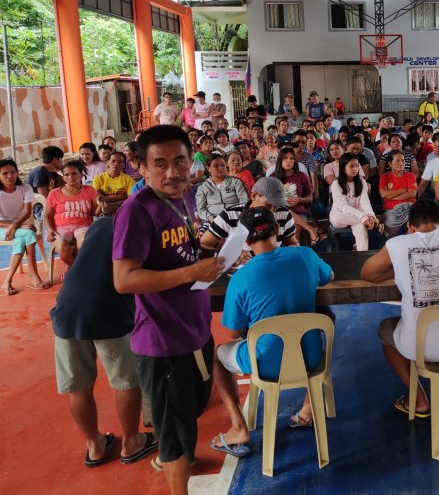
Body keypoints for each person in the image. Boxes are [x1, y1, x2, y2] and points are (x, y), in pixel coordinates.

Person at [113, 125, 226, 493]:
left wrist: (213, 255)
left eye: (179, 160)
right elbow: (125, 279)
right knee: (174, 433)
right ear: (142, 169)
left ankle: (176, 460)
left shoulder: (183, 198)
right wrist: (192, 271)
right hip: (163, 341)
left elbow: (185, 249)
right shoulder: (136, 212)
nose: (172, 171)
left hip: (194, 329)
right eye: (159, 164)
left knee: (188, 415)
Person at [211, 207, 333, 450]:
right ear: (277, 229)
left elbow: (234, 333)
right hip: (311, 359)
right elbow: (328, 275)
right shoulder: (305, 255)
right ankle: (308, 407)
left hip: (265, 363)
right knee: (327, 316)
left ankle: (238, 428)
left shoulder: (240, 279)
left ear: (245, 241)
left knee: (216, 355)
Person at [50, 218, 159, 467]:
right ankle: (132, 442)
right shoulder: (145, 227)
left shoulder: (100, 225)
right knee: (126, 380)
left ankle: (94, 445)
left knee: (78, 385)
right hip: (109, 308)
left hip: (68, 306)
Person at [360, 200, 439, 416]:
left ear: (409, 226)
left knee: (385, 330)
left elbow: (367, 273)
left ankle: (418, 400)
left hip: (416, 346)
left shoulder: (397, 244)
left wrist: (399, 271)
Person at [0, 158, 46, 293]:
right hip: (2, 227)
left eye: (12, 172)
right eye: (4, 173)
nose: (10, 176)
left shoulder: (25, 188)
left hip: (18, 225)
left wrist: (15, 226)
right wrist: (18, 226)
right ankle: (34, 274)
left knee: (21, 239)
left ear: (17, 173)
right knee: (28, 233)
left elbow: (27, 212)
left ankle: (7, 281)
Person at [46, 160, 99, 273]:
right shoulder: (54, 193)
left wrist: (102, 204)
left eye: (74, 173)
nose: (70, 177)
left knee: (84, 245)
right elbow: (47, 216)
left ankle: (73, 271)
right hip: (60, 228)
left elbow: (95, 213)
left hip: (83, 226)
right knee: (63, 249)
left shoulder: (90, 191)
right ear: (63, 177)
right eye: (66, 174)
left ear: (81, 174)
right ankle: (79, 270)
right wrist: (50, 231)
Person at [329, 152, 378, 251]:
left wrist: (371, 215)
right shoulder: (336, 184)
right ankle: (371, 222)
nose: (355, 169)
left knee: (361, 227)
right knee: (338, 217)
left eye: (356, 166)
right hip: (341, 216)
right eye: (351, 166)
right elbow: (343, 206)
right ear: (343, 167)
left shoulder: (362, 182)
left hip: (358, 217)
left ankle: (362, 257)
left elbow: (365, 202)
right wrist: (364, 217)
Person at [195, 154, 249, 229]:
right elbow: (201, 209)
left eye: (222, 165)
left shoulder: (236, 182)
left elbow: (244, 202)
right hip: (211, 220)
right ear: (208, 168)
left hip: (235, 218)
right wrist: (211, 218)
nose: (220, 168)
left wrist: (235, 215)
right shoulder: (203, 188)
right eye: (216, 166)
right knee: (202, 238)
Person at [379, 150, 417, 237]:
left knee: (417, 220)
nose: (401, 163)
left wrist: (391, 197)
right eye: (397, 161)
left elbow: (412, 194)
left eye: (403, 160)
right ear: (390, 164)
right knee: (390, 221)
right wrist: (403, 190)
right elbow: (384, 194)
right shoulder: (385, 177)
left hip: (410, 207)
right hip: (391, 210)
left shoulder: (411, 175)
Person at [272, 147, 313, 216]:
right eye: (285, 158)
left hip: (298, 211)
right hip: (278, 212)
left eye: (291, 158)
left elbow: (310, 198)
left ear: (295, 161)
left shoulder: (302, 176)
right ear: (280, 160)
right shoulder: (272, 177)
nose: (289, 161)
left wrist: (299, 200)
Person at [93, 151, 136, 217]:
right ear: (108, 162)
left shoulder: (129, 180)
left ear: (123, 164)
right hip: (103, 208)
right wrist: (120, 197)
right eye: (113, 161)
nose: (116, 164)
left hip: (122, 208)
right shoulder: (98, 179)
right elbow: (100, 198)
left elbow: (130, 199)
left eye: (120, 162)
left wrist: (108, 199)